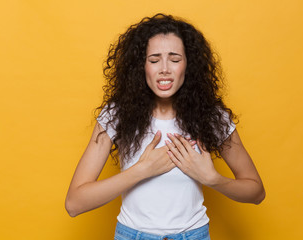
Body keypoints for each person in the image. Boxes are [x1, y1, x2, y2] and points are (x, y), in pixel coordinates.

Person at [65, 13, 265, 240]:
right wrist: (141, 171)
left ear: (188, 65)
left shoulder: (210, 116)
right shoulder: (116, 114)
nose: (164, 69)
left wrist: (212, 179)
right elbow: (74, 203)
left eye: (175, 59)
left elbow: (256, 192)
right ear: (141, 66)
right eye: (154, 60)